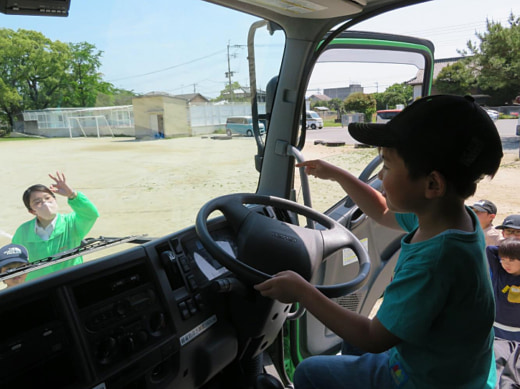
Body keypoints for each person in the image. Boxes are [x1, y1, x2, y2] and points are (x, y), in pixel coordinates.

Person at [255, 95, 503, 389]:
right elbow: (382, 212)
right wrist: (337, 174)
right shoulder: (450, 219)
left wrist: (302, 291)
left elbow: (373, 338)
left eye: (386, 165)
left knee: (309, 372)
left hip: (425, 380)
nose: (381, 177)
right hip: (454, 367)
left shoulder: (435, 262)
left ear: (433, 184)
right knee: (350, 346)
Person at [12, 172, 99, 281]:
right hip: (37, 288)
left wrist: (72, 195)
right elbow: (14, 262)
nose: (45, 203)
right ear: (31, 211)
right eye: (37, 202)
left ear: (55, 199)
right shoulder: (23, 232)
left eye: (48, 198)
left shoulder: (71, 223)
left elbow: (90, 214)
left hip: (70, 282)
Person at [486, 237, 520, 388]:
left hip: (518, 331)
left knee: (513, 368)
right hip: (497, 328)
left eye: (512, 259)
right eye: (503, 259)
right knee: (496, 364)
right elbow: (490, 250)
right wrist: (509, 246)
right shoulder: (499, 272)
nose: (506, 263)